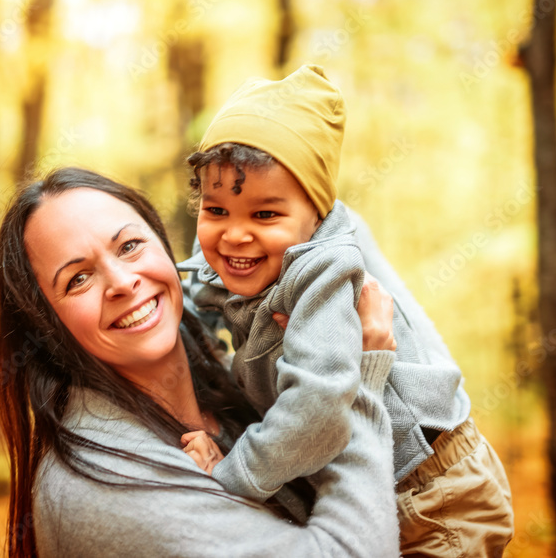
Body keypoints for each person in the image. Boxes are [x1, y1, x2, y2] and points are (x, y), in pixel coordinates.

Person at [178, 64, 514, 556]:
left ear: (315, 215)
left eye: (265, 214)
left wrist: (229, 476)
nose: (235, 233)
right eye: (216, 210)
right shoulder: (242, 253)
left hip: (432, 494)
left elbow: (317, 409)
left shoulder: (326, 270)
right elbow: (198, 295)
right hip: (393, 482)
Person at [0, 167, 401, 557]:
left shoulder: (217, 359)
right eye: (77, 279)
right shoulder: (107, 485)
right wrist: (359, 377)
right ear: (45, 325)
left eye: (130, 246)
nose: (121, 282)